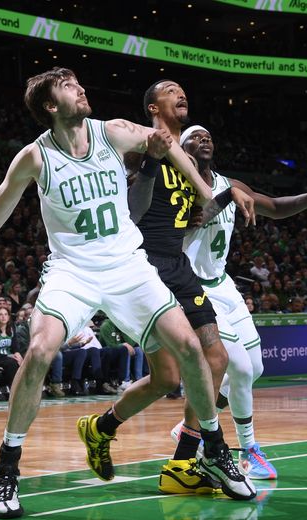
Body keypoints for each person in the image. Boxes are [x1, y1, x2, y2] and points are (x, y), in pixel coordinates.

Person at [0, 68, 256, 520]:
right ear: (50, 106)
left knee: (189, 346)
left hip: (128, 265)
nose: (81, 88)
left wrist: (204, 192)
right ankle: (7, 467)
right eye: (68, 86)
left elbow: (166, 142)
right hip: (73, 271)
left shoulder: (114, 132)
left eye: (80, 82)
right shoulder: (35, 157)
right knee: (40, 350)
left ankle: (216, 451)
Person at [82, 79, 258, 496]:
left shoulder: (188, 162)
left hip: (176, 265)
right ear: (152, 109)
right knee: (195, 361)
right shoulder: (135, 150)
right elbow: (131, 212)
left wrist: (229, 195)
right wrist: (147, 165)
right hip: (141, 266)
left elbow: (201, 211)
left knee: (187, 369)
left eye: (184, 90)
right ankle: (192, 458)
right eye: (170, 90)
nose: (182, 94)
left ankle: (109, 431)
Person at [178, 125, 307, 479]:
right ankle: (247, 451)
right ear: (181, 148)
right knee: (237, 367)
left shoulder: (231, 183)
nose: (204, 138)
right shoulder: (178, 187)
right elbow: (195, 219)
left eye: (208, 135)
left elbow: (274, 207)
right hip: (192, 288)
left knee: (255, 369)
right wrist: (225, 197)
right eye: (194, 137)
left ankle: (189, 425)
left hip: (222, 284)